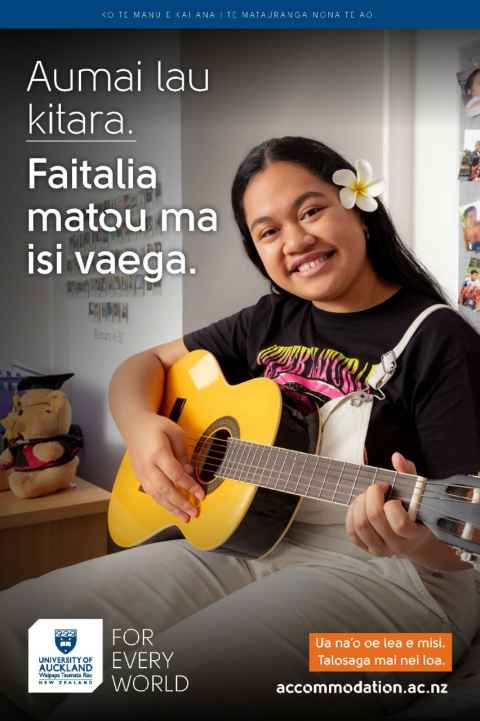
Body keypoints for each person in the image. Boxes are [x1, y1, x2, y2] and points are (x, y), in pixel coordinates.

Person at [1, 137, 480, 721]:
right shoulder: (271, 318)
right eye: (268, 231)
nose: (297, 241)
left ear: (359, 205)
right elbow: (141, 367)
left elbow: (461, 551)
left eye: (311, 210)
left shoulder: (440, 339)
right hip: (255, 544)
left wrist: (412, 539)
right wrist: (144, 426)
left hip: (410, 594)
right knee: (23, 640)